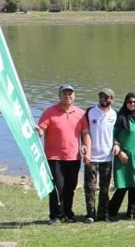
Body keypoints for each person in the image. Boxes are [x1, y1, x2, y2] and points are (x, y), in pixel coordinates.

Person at [37, 84, 85, 225]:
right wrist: (37, 131)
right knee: (58, 187)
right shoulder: (50, 112)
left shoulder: (80, 113)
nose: (67, 96)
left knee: (70, 187)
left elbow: (85, 133)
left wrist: (86, 147)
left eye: (70, 93)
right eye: (64, 93)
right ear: (59, 95)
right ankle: (55, 216)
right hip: (54, 157)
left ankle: (68, 214)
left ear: (74, 96)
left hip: (73, 157)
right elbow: (41, 130)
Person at [81, 88, 117, 223]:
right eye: (101, 96)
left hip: (107, 158)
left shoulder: (115, 114)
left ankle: (103, 214)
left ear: (112, 100)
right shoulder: (90, 112)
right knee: (90, 187)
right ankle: (91, 214)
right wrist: (84, 147)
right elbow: (84, 131)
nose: (103, 99)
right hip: (92, 156)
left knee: (105, 188)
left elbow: (115, 134)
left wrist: (116, 144)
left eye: (107, 97)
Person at [108, 93, 135, 221]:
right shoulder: (120, 117)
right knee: (123, 185)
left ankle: (133, 212)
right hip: (124, 156)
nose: (132, 104)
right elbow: (112, 136)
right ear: (125, 102)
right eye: (130, 102)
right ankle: (111, 211)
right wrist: (119, 152)